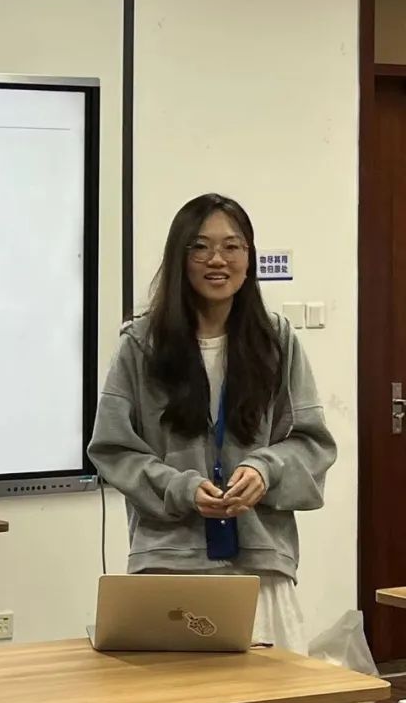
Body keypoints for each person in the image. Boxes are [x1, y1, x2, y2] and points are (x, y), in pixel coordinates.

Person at [87, 193, 336, 660]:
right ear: (179, 258)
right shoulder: (141, 345)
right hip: (170, 565)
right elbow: (113, 450)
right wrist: (179, 488)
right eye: (200, 247)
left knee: (276, 694)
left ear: (249, 257)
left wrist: (265, 470)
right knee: (181, 695)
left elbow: (312, 443)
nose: (217, 260)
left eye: (232, 246)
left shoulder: (277, 341)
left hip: (260, 564)